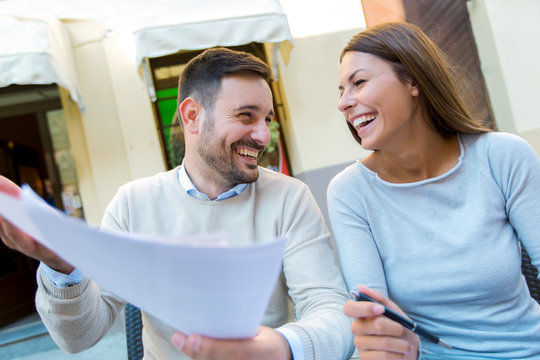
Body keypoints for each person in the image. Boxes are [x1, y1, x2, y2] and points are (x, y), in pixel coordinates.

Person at [0, 48, 354, 360]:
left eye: (267, 120)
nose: (263, 135)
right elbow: (81, 338)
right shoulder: (133, 204)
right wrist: (61, 266)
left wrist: (280, 347)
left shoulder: (289, 197)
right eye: (246, 116)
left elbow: (330, 308)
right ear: (191, 116)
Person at [327, 22, 540, 360]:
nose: (344, 103)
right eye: (341, 90)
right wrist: (382, 337)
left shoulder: (503, 157)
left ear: (413, 79)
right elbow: (376, 319)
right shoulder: (349, 193)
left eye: (359, 83)